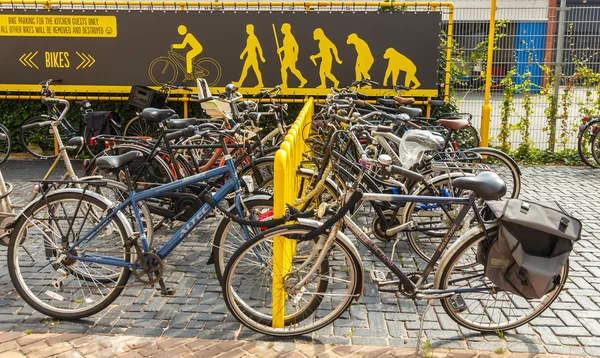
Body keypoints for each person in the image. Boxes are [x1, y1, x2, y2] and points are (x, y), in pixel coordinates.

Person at [276, 23, 307, 88]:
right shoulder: (287, 36)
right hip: (288, 55)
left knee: (283, 69)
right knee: (293, 70)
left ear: (286, 29)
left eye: (282, 28)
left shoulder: (289, 37)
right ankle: (303, 80)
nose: (281, 29)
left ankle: (285, 84)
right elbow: (288, 46)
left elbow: (295, 46)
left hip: (289, 56)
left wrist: (295, 55)